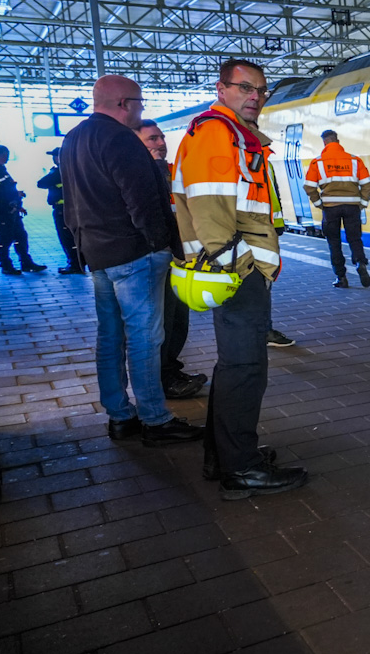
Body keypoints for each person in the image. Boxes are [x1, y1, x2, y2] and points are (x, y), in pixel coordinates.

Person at [173, 59, 308, 498]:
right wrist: (241, 266)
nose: (255, 96)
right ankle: (242, 468)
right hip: (235, 272)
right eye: (245, 88)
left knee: (235, 367)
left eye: (261, 90)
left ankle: (224, 456)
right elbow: (211, 209)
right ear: (222, 88)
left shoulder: (230, 133)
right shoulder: (216, 132)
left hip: (234, 269)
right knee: (245, 369)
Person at [58, 76, 205, 448]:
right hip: (134, 255)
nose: (141, 110)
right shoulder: (121, 139)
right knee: (145, 338)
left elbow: (72, 204)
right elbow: (143, 202)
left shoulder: (73, 138)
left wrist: (83, 247)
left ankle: (120, 416)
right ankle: (156, 420)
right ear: (124, 103)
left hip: (98, 254)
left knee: (109, 337)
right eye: (139, 103)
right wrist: (162, 245)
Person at [137, 120, 206, 400]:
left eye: (161, 138)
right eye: (152, 139)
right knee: (161, 323)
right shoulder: (138, 172)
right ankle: (163, 381)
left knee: (178, 320)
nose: (160, 143)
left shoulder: (170, 171)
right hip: (156, 258)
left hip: (179, 257)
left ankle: (172, 370)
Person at [304, 128, 370, 288]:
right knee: (354, 238)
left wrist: (318, 203)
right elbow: (367, 183)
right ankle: (360, 262)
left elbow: (309, 186)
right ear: (338, 141)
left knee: (334, 242)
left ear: (324, 143)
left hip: (330, 208)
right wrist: (362, 202)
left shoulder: (318, 162)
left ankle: (341, 277)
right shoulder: (355, 160)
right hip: (352, 207)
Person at [0, 145, 45, 275]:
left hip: (11, 209)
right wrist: (14, 196)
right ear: (3, 154)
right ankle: (6, 265)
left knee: (21, 236)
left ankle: (26, 262)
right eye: (6, 155)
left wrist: (17, 202)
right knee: (4, 238)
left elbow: (6, 188)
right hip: (0, 210)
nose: (7, 158)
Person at [35, 148, 87, 274]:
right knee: (74, 237)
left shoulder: (61, 170)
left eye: (55, 156)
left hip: (63, 210)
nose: (53, 158)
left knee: (67, 238)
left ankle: (75, 264)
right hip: (74, 209)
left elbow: (41, 183)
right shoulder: (75, 168)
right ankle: (78, 263)